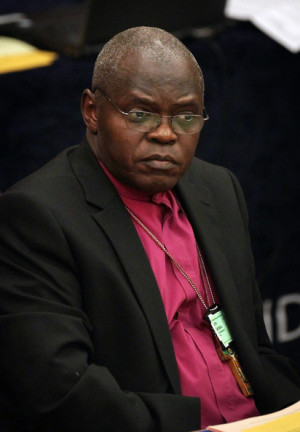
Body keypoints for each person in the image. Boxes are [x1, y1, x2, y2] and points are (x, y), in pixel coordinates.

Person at [0, 26, 299, 432]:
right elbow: (59, 392)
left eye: (186, 116)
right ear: (91, 111)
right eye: (140, 114)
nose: (165, 133)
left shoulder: (218, 189)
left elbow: (254, 348)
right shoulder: (36, 215)